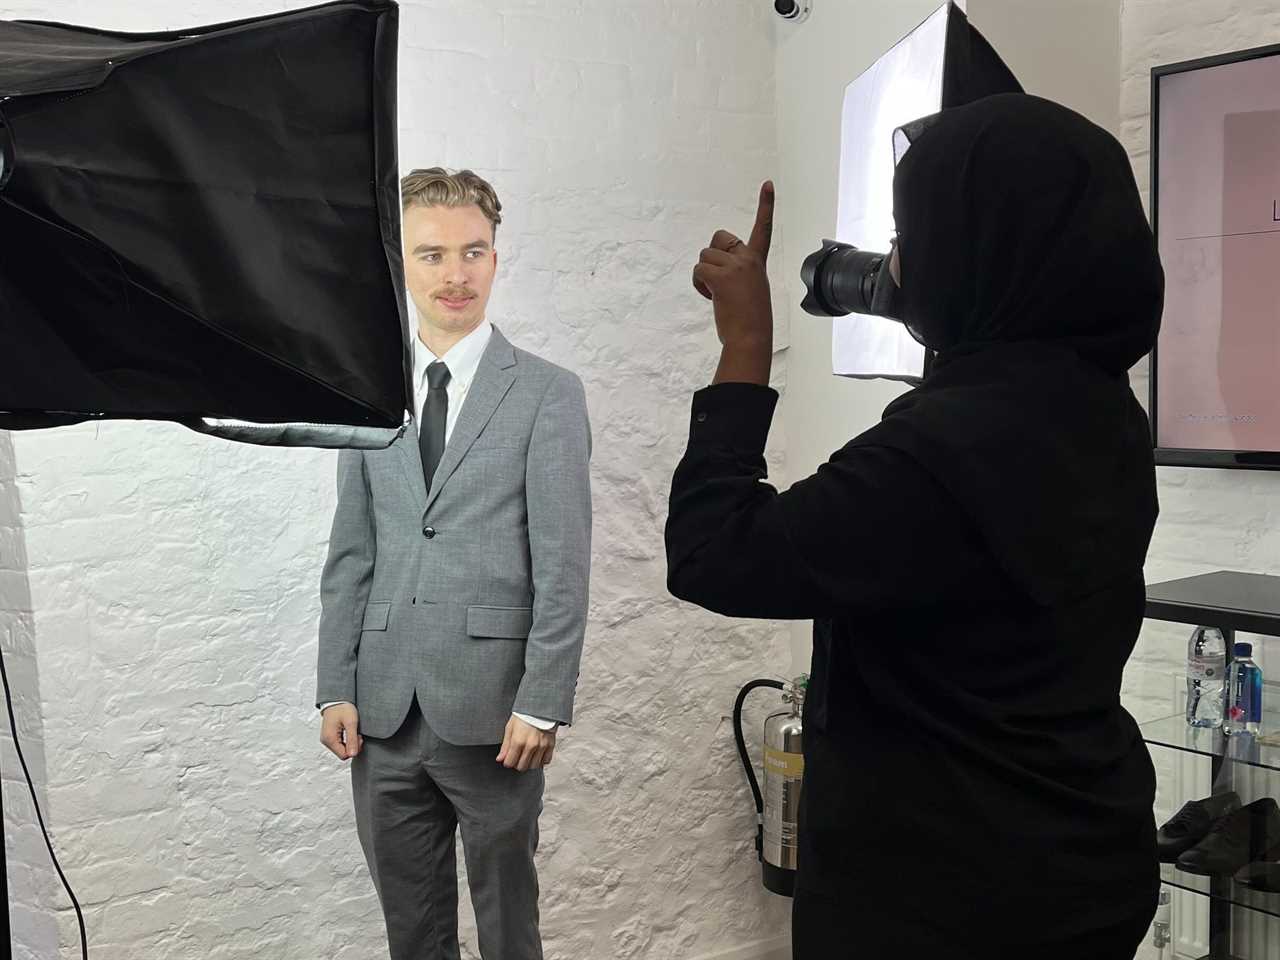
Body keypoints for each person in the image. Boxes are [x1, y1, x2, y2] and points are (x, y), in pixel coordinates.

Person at [666, 93, 1165, 959]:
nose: (898, 260)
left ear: (977, 251)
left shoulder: (944, 450)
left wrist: (745, 343)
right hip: (1084, 861)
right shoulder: (1099, 410)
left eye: (912, 233)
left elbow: (716, 556)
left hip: (945, 899)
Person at [315, 167, 592, 960]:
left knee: (509, 931)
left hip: (495, 714)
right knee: (413, 933)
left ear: (496, 259)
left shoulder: (546, 394)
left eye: (474, 251)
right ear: (401, 262)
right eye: (431, 254)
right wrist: (336, 681)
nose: (455, 273)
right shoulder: (366, 394)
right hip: (383, 713)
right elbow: (351, 552)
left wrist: (543, 702)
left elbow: (563, 564)